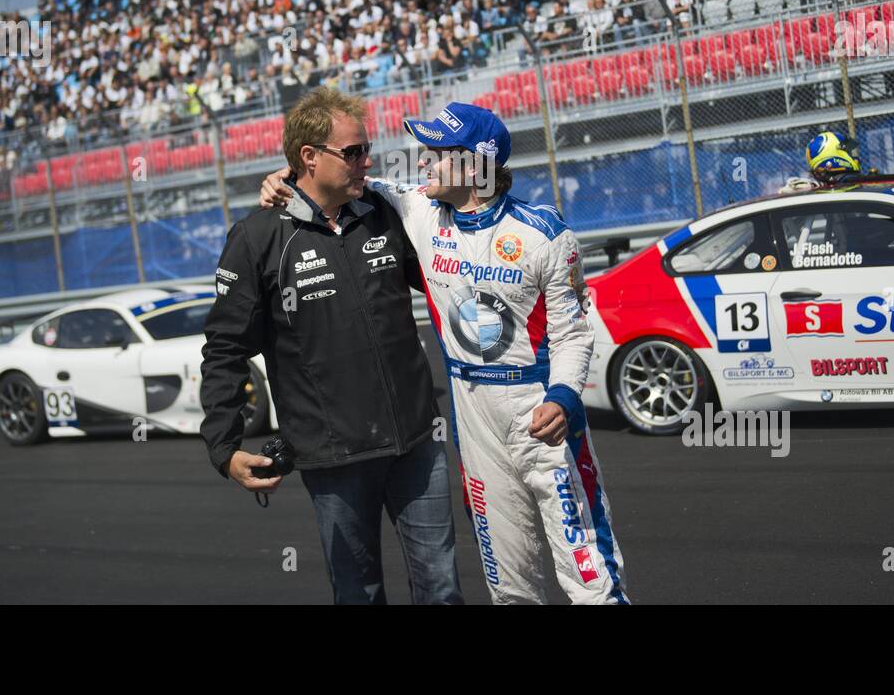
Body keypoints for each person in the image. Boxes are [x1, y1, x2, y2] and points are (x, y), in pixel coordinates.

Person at [260, 102, 630, 605]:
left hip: (540, 409)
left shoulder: (545, 233)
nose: (424, 164)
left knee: (590, 578)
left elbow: (573, 333)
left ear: (476, 164)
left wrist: (564, 396)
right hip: (472, 414)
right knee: (510, 587)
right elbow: (325, 181)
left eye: (437, 153)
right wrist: (283, 175)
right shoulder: (417, 210)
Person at [199, 87, 463, 606]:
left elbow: (449, 268)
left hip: (416, 438)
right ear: (309, 157)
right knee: (358, 594)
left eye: (367, 149)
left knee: (442, 589)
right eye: (354, 152)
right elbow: (225, 347)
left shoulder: (384, 214)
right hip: (332, 454)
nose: (367, 161)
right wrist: (224, 447)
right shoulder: (257, 237)